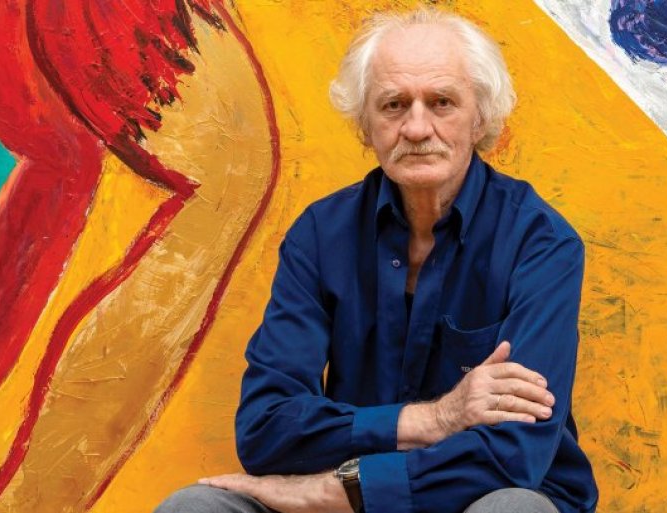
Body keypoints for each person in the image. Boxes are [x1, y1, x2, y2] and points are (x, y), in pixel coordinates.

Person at [155, 7, 598, 513]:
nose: (417, 127)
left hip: (471, 499)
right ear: (365, 125)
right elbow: (264, 428)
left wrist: (339, 491)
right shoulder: (320, 235)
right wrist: (433, 420)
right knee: (196, 506)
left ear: (480, 117)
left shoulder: (540, 243)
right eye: (393, 105)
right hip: (340, 488)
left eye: (442, 102)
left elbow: (514, 456)